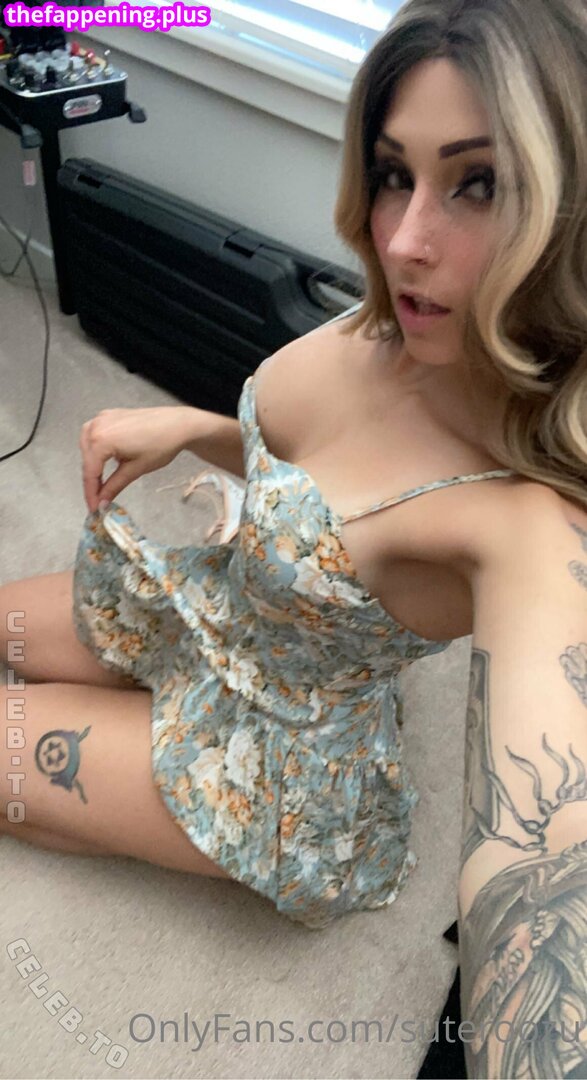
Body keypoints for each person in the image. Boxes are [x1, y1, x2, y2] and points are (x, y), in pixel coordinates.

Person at [0, 0, 586, 955]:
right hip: (217, 605)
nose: (403, 240)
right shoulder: (409, 310)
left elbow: (552, 853)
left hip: (278, 745)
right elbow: (319, 488)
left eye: (477, 184)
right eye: (394, 174)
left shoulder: (530, 518)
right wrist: (197, 430)